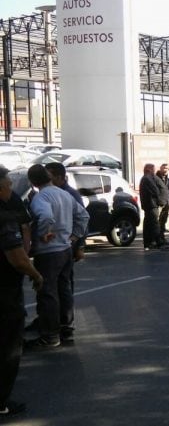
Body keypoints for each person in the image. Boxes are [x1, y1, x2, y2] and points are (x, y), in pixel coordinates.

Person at [25, 164, 89, 349]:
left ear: (32, 182)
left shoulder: (40, 198)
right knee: (64, 289)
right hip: (65, 249)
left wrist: (44, 232)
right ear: (49, 177)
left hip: (49, 252)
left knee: (47, 293)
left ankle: (50, 336)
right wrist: (75, 237)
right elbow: (83, 216)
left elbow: (45, 216)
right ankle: (66, 329)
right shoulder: (64, 194)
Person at [0, 166, 44, 417]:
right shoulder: (4, 217)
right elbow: (17, 257)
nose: (10, 189)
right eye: (7, 185)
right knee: (8, 346)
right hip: (4, 292)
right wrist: (35, 274)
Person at [139, 163, 169, 250]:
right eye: (154, 169)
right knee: (154, 224)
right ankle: (158, 242)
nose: (155, 171)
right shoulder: (148, 178)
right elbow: (155, 190)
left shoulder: (146, 178)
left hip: (148, 204)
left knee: (148, 224)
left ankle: (148, 243)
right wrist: (160, 201)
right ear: (150, 169)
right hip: (151, 205)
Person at [156, 163, 169, 234]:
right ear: (160, 168)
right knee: (158, 217)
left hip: (166, 200)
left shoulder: (168, 178)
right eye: (164, 168)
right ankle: (158, 232)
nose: (165, 170)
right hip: (159, 201)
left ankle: (162, 229)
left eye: (167, 168)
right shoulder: (156, 177)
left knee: (164, 216)